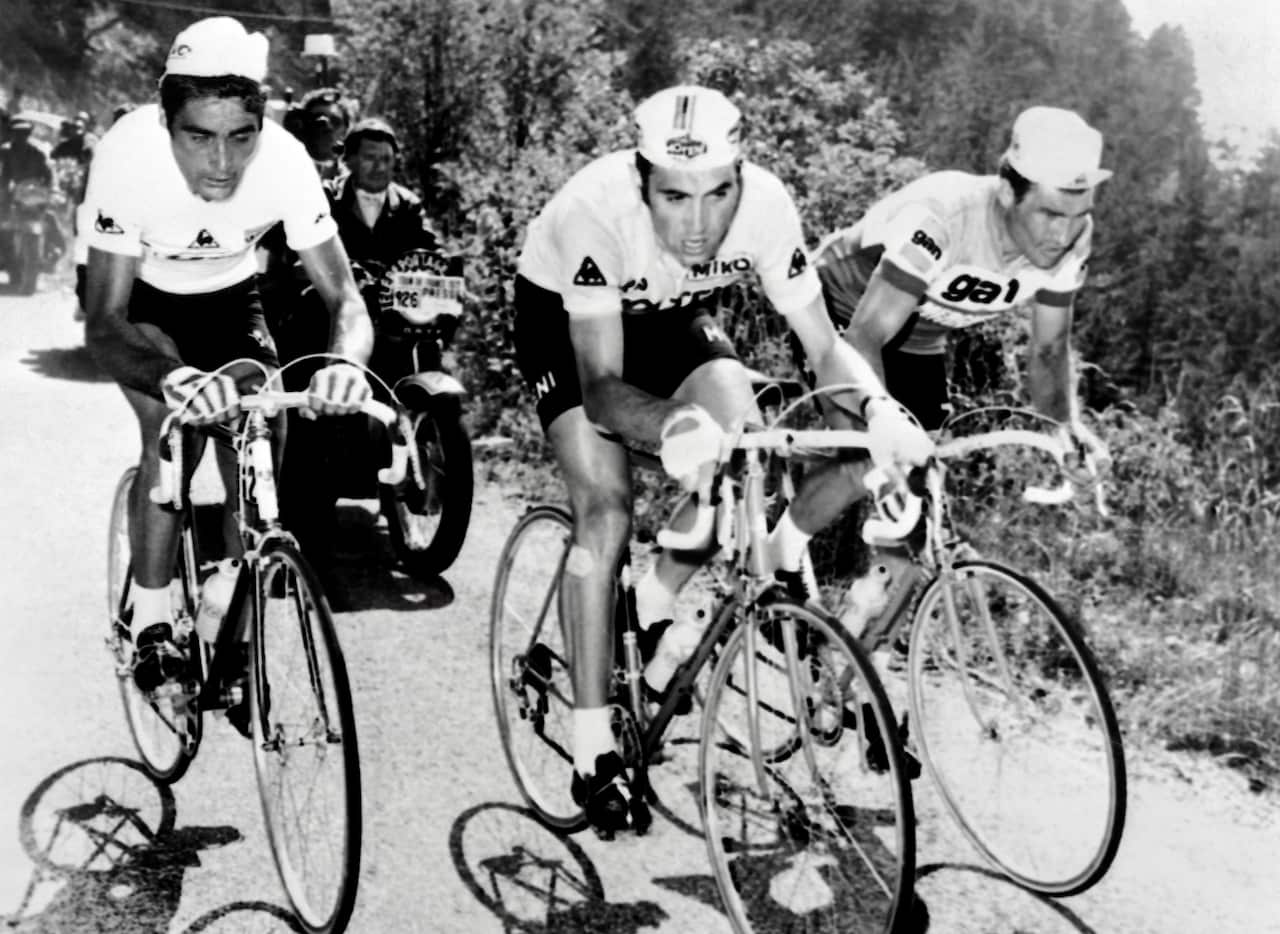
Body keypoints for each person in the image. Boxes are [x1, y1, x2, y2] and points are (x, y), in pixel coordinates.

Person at [511, 85, 932, 836]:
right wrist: (675, 422)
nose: (698, 222)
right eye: (673, 197)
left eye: (718, 194)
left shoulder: (768, 207)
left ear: (741, 174)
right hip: (568, 324)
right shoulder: (594, 212)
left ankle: (652, 602)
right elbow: (605, 392)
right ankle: (590, 747)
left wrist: (878, 411)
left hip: (674, 317)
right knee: (606, 510)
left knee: (743, 461)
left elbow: (825, 346)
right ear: (641, 181)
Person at [82, 16, 373, 699]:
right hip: (143, 301)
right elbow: (103, 321)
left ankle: (228, 621)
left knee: (258, 439)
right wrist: (172, 376)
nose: (221, 163)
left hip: (229, 295)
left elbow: (348, 302)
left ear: (263, 125)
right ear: (164, 120)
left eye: (240, 136)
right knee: (171, 435)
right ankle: (151, 621)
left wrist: (345, 364)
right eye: (198, 137)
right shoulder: (126, 157)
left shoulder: (287, 162)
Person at [779, 105, 1114, 625]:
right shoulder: (944, 215)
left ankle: (858, 673)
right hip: (842, 314)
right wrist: (880, 427)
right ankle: (781, 555)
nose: (1062, 235)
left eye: (1077, 216)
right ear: (1008, 192)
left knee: (920, 516)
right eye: (1049, 214)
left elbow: (1048, 351)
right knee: (869, 458)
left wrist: (1066, 431)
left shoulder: (1074, 237)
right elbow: (866, 334)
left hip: (921, 337)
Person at [278, 116, 440, 597]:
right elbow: (296, 253)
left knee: (428, 352)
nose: (378, 167)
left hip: (391, 320)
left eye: (387, 159)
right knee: (318, 418)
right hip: (335, 324)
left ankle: (425, 449)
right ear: (348, 158)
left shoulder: (407, 205)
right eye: (369, 157)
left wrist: (440, 268)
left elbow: (428, 250)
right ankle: (307, 542)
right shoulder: (324, 200)